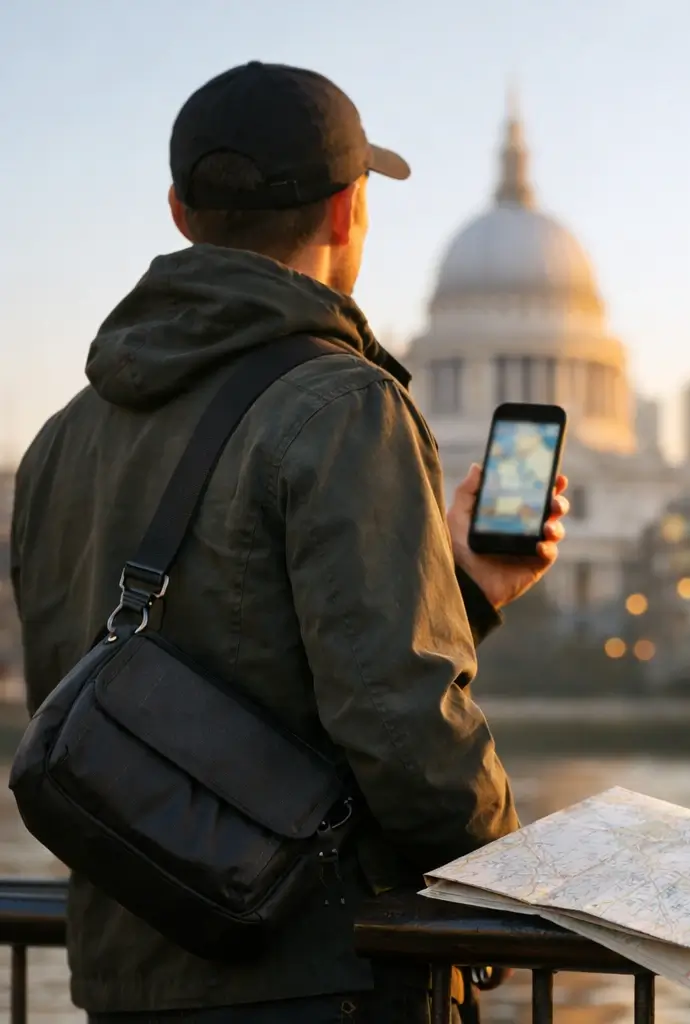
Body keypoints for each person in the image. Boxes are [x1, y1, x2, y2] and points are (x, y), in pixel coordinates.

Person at [7, 62, 563, 1022]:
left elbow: (136, 681)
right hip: (311, 970)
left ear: (181, 212)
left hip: (126, 972)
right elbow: (400, 720)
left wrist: (461, 589)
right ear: (350, 211)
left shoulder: (62, 436)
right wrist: (500, 893)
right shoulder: (345, 405)